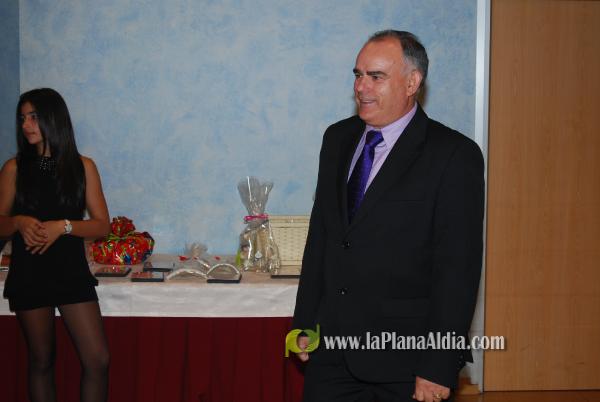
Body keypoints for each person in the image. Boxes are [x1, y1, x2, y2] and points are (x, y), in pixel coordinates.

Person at [293, 30, 485, 402]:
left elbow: (457, 272)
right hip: (330, 354)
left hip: (406, 363)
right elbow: (322, 239)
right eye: (358, 75)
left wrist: (438, 365)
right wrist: (304, 323)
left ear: (412, 82)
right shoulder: (337, 139)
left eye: (376, 76)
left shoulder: (453, 155)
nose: (361, 87)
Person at [0, 88, 111, 402]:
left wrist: (63, 226)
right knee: (42, 361)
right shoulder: (14, 168)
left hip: (70, 272)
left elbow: (102, 226)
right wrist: (18, 222)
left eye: (33, 117)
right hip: (30, 272)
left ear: (53, 118)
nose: (25, 125)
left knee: (97, 359)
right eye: (22, 118)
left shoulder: (83, 166)